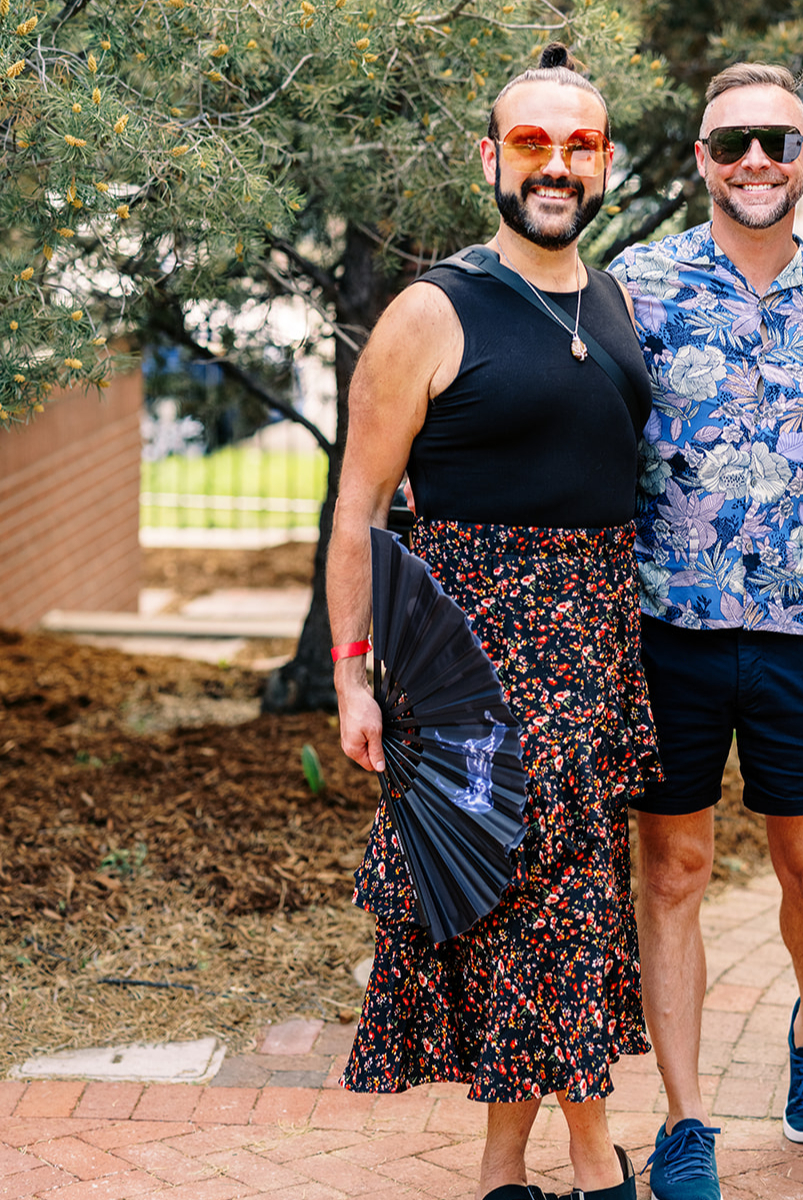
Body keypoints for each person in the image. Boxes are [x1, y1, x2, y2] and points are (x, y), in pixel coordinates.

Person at [327, 44, 658, 1200]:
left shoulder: (615, 300)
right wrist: (352, 675)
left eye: (579, 145)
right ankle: (594, 1159)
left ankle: (502, 1168)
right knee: (536, 901)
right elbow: (360, 505)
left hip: (597, 648)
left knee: (558, 899)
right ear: (490, 159)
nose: (555, 165)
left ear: (603, 161)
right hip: (476, 657)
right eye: (531, 143)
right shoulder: (431, 310)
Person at [610, 63, 803, 1200]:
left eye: (777, 140)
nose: (755, 160)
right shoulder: (636, 285)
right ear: (701, 160)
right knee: (674, 872)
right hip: (668, 628)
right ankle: (686, 1118)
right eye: (731, 143)